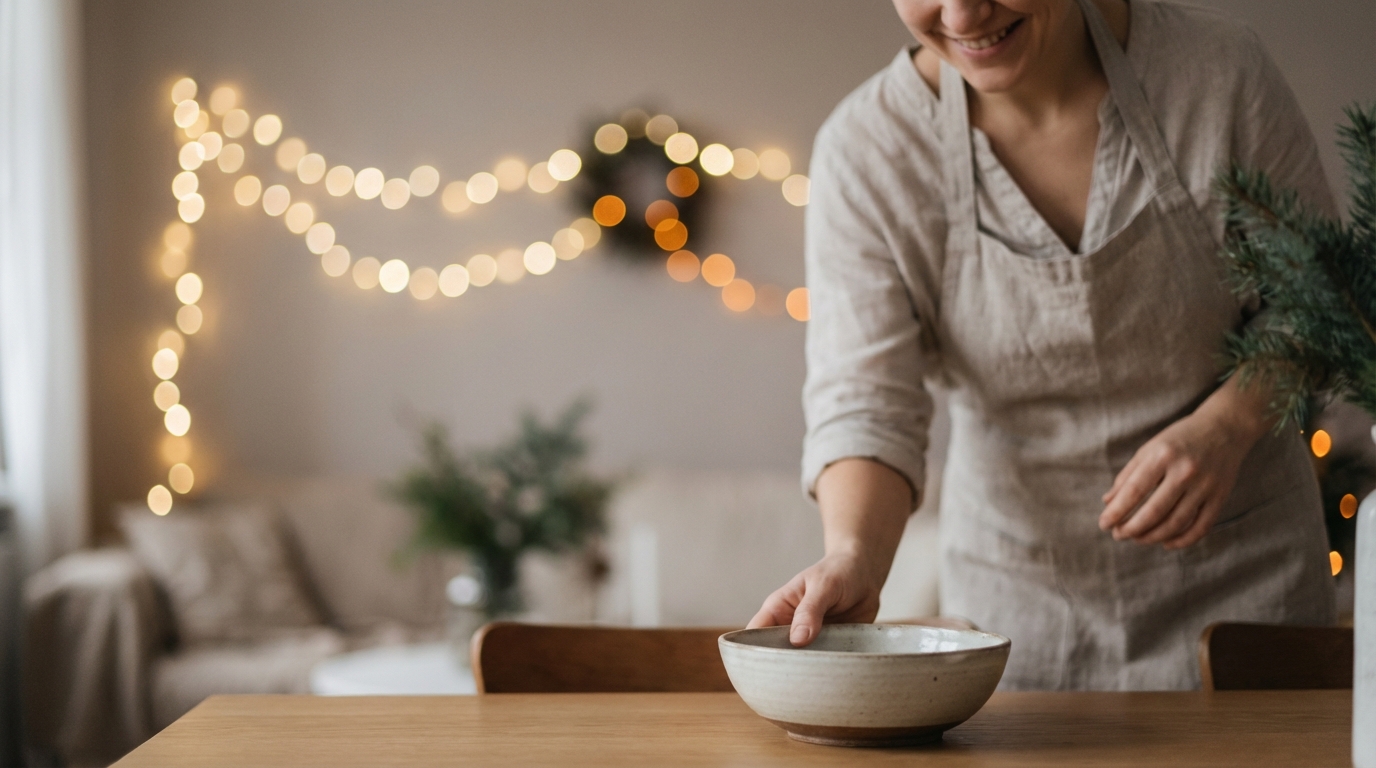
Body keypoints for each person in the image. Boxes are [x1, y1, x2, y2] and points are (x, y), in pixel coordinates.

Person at [749, 0, 1337, 690]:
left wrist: (1228, 425)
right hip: (1018, 613)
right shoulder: (867, 150)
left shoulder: (1218, 74)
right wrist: (853, 556)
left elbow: (1320, 298)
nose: (964, 14)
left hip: (1247, 591)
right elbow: (866, 401)